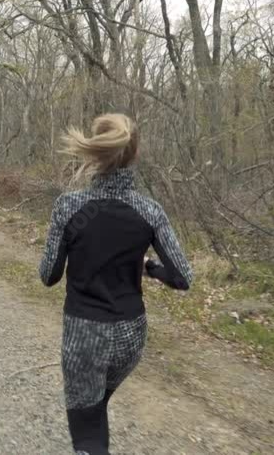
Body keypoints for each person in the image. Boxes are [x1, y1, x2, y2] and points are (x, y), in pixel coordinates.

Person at [38, 113, 192, 455]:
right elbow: (183, 277)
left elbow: (48, 276)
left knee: (87, 432)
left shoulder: (69, 207)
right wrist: (148, 268)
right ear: (134, 155)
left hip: (84, 338)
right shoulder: (150, 211)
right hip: (131, 338)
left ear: (95, 153)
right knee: (96, 407)